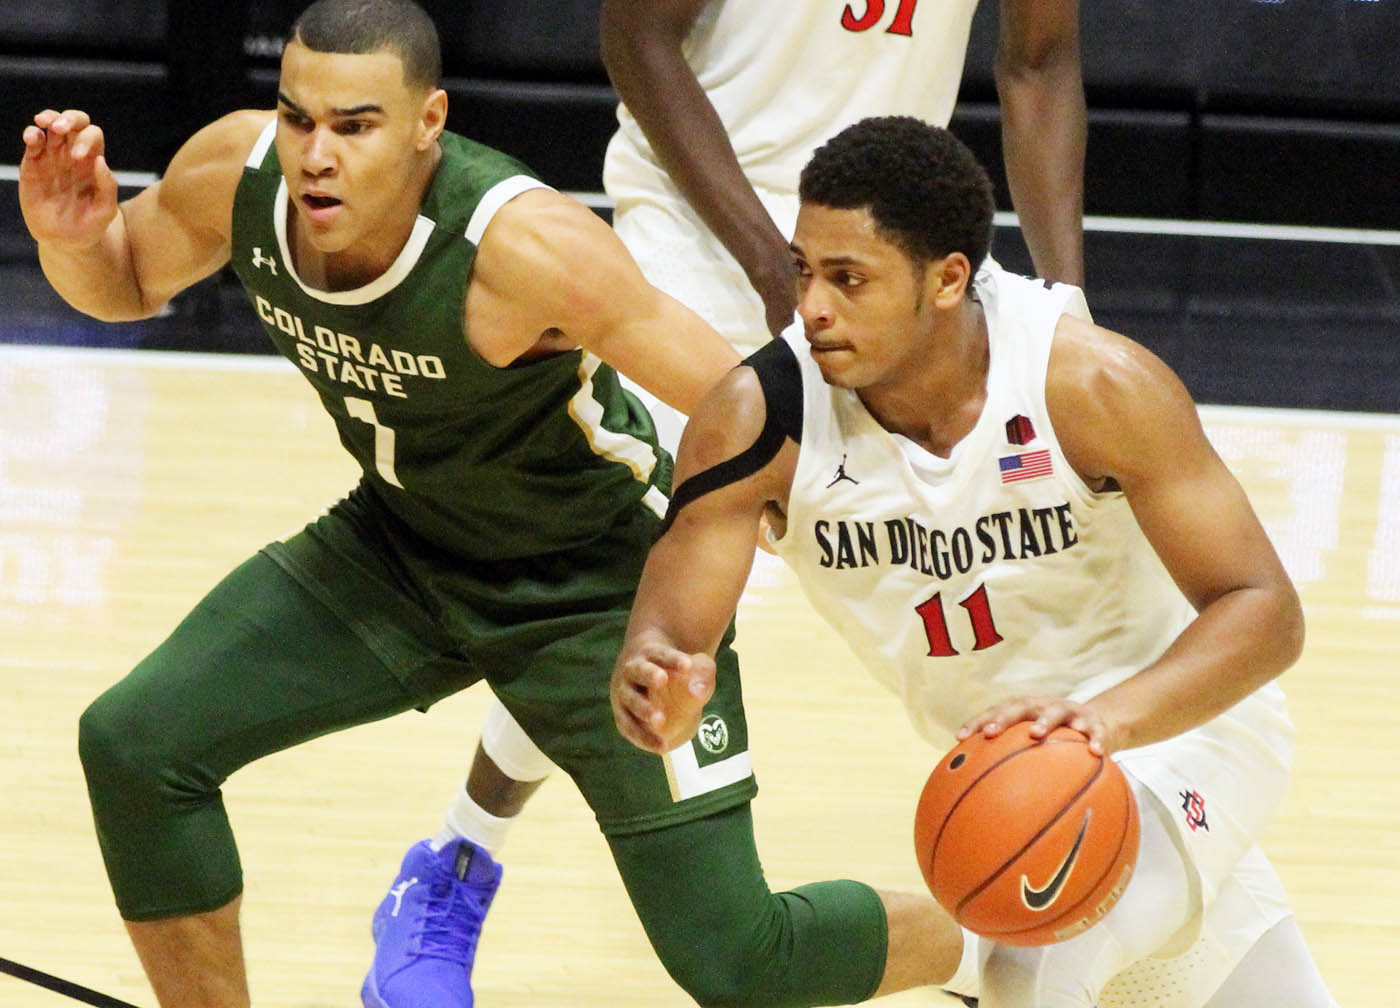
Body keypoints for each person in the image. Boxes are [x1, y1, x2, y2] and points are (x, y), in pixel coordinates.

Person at [19, 3, 972, 1006]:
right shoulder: (236, 175)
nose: (316, 156)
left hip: (596, 589)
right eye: (299, 120)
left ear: (428, 122)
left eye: (354, 125)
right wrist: (71, 238)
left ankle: (988, 946)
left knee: (739, 962)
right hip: (398, 547)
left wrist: (881, 521)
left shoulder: (526, 248)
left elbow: (748, 404)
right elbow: (124, 279)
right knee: (136, 746)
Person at [406, 4, 1086, 994]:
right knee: (629, 570)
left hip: (885, 253)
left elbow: (1040, 60)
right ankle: (455, 864)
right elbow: (634, 37)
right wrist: (778, 265)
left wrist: (1068, 310)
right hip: (696, 231)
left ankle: (1046, 870)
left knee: (1019, 562)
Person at [611, 116, 1339, 1007]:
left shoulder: (1090, 384)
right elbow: (671, 637)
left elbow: (1266, 611)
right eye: (804, 270)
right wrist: (660, 683)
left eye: (850, 279)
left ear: (949, 278)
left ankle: (959, 958)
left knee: (1032, 959)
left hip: (1181, 733)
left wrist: (1100, 723)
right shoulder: (756, 421)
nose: (811, 308)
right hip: (1011, 779)